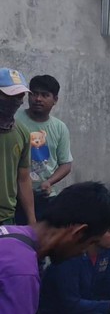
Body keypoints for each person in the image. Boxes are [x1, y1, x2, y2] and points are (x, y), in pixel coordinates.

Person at [0, 181, 110, 314]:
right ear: (78, 233)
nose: (83, 252)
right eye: (90, 242)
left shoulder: (12, 233)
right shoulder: (22, 271)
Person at [39, 227, 110, 314]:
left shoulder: (106, 251)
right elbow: (71, 304)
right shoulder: (70, 257)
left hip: (92, 304)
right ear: (96, 233)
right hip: (62, 312)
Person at [15, 74, 73, 224]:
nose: (38, 99)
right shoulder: (15, 121)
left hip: (44, 196)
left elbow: (65, 164)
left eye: (44, 95)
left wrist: (49, 182)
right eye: (34, 94)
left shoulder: (59, 128)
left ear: (55, 100)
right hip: (15, 196)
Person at [0, 67, 35, 226]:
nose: (16, 100)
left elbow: (23, 178)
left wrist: (32, 220)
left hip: (6, 217)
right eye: (9, 95)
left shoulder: (22, 132)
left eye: (19, 95)